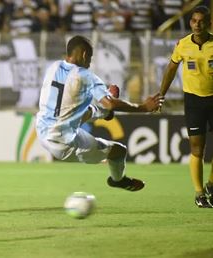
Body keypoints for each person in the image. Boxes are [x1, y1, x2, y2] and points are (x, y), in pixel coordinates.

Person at [36, 35, 164, 192]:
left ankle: (102, 114)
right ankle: (118, 180)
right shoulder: (86, 76)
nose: (89, 62)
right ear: (84, 54)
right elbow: (109, 103)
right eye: (89, 57)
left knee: (85, 109)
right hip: (64, 143)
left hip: (42, 131)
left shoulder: (53, 67)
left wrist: (105, 107)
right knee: (119, 151)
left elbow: (69, 103)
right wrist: (143, 107)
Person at [158, 6, 213, 208]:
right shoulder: (182, 45)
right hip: (194, 102)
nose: (197, 25)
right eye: (194, 21)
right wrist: (161, 95)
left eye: (201, 21)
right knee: (197, 149)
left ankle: (211, 185)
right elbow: (171, 69)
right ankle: (200, 194)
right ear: (190, 22)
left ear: (209, 23)